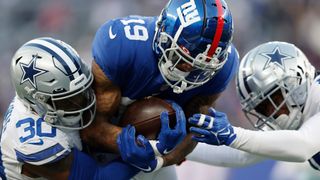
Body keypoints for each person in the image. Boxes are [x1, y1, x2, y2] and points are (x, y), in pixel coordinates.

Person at [79, 0, 239, 179]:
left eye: (202, 68)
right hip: (95, 147)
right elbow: (91, 129)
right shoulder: (122, 46)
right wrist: (136, 144)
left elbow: (193, 129)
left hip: (159, 153)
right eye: (183, 58)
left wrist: (162, 157)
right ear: (164, 34)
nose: (189, 71)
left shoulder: (223, 67)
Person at [0, 37, 177, 179]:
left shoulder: (42, 97)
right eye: (68, 100)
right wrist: (150, 156)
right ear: (39, 101)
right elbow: (97, 176)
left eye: (82, 92)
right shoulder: (34, 141)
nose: (83, 104)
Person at [187, 41, 320, 175]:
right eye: (263, 109)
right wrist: (178, 146)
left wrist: (232, 133)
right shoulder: (299, 111)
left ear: (296, 80)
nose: (273, 112)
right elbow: (243, 155)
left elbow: (304, 146)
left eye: (275, 100)